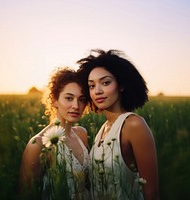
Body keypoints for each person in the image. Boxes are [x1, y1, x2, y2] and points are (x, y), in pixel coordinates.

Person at [77, 49, 159, 200]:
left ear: (121, 85)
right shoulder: (103, 130)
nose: (98, 91)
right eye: (91, 86)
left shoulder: (134, 125)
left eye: (105, 82)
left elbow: (151, 193)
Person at [20, 67, 90, 200]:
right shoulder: (38, 144)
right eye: (69, 98)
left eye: (81, 99)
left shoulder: (82, 134)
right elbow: (27, 194)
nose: (76, 105)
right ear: (54, 100)